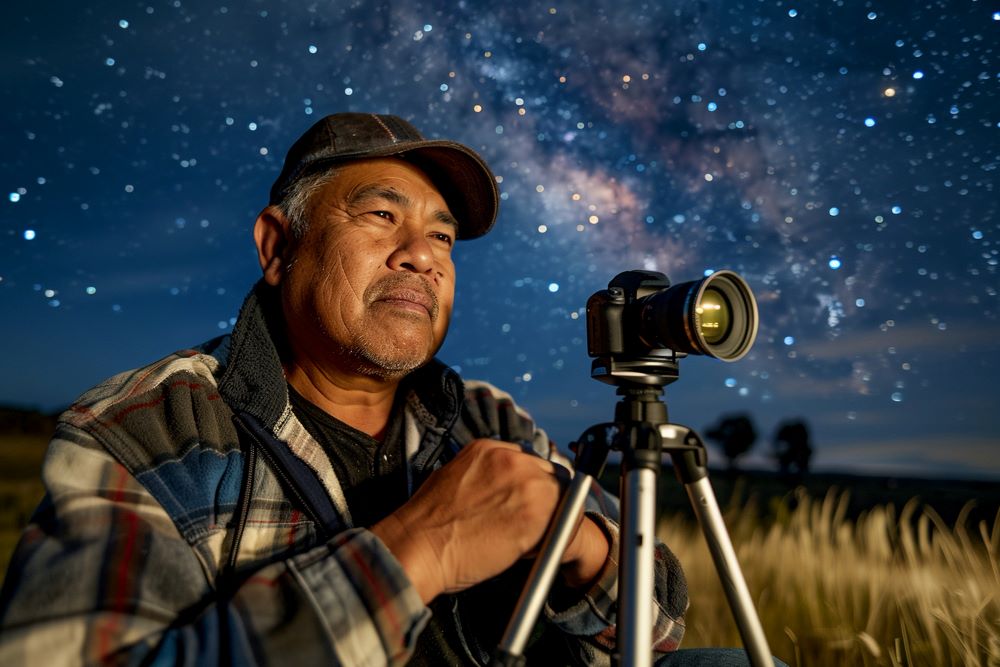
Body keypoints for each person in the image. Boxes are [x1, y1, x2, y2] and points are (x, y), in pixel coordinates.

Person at [0, 113, 691, 665]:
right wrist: (417, 551)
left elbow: (660, 630)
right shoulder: (151, 429)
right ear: (277, 246)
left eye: (443, 236)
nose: (422, 255)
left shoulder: (487, 419)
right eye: (381, 217)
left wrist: (588, 551)